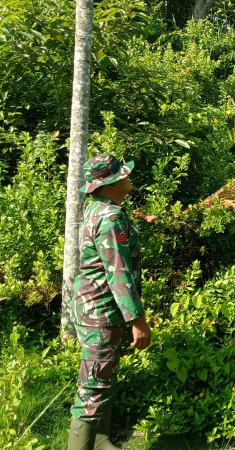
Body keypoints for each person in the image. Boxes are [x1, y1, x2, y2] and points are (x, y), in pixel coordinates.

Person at [68, 154, 152, 450]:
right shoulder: (110, 216)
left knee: (103, 375)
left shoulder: (99, 209)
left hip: (92, 307)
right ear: (110, 184)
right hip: (100, 310)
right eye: (121, 174)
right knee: (92, 387)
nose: (127, 176)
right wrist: (138, 321)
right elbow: (119, 273)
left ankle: (101, 438)